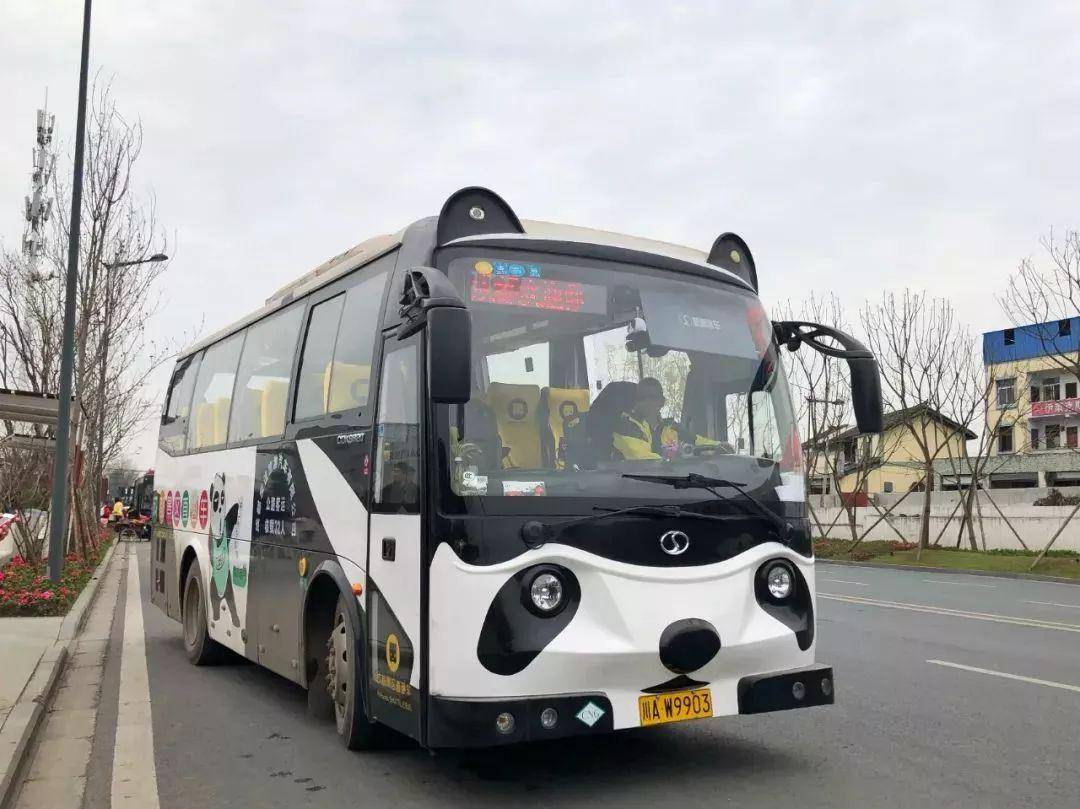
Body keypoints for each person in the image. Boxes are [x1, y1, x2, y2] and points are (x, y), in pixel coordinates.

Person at [612, 377, 726, 460]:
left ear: (662, 402)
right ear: (635, 401)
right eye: (642, 397)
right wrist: (675, 459)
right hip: (632, 489)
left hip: (669, 488)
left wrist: (719, 446)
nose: (647, 401)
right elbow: (643, 461)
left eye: (652, 397)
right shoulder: (625, 426)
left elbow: (698, 442)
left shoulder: (672, 428)